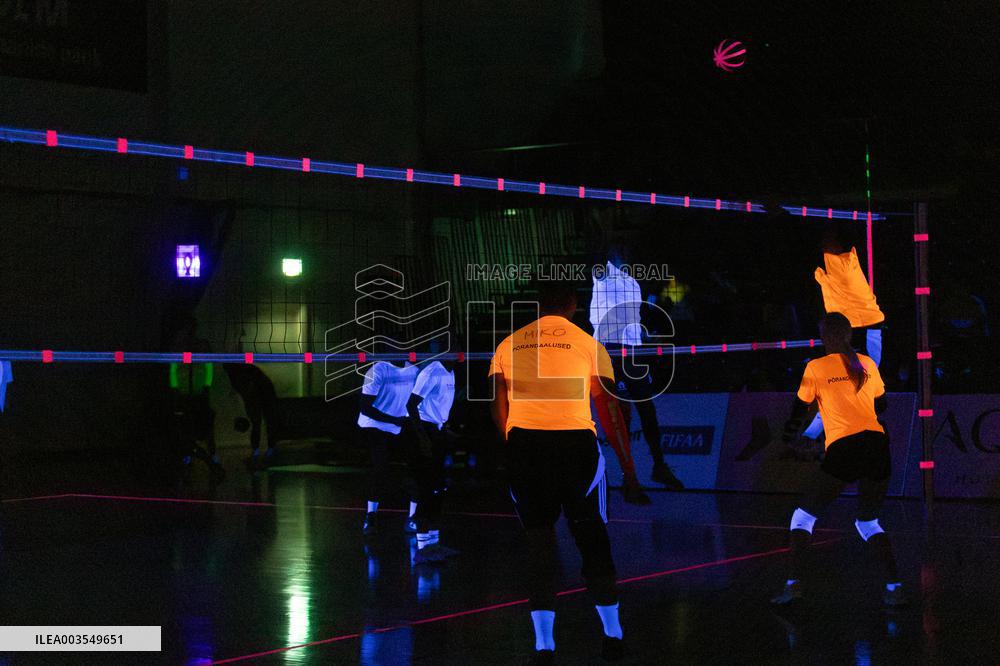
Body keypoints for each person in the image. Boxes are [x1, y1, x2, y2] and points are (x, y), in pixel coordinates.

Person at [490, 281, 628, 663]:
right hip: (575, 449)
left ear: (539, 306)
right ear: (573, 306)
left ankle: (544, 646)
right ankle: (613, 635)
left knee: (539, 549)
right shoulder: (588, 344)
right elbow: (609, 407)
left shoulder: (507, 344)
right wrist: (629, 468)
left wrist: (513, 446)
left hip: (525, 448)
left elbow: (497, 405)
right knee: (593, 540)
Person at [771, 312, 906, 607]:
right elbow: (881, 404)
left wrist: (788, 439)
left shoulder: (816, 367)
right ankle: (895, 588)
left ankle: (793, 586)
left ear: (824, 337)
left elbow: (799, 409)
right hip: (877, 445)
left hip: (845, 447)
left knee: (802, 517)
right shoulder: (867, 363)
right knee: (868, 521)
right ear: (849, 335)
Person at [590, 257, 684, 493]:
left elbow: (633, 320)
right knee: (621, 413)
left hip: (632, 352)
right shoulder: (604, 273)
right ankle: (628, 476)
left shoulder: (633, 283)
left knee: (647, 409)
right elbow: (599, 264)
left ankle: (659, 466)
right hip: (609, 351)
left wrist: (645, 337)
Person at [802, 234, 885, 441]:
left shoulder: (857, 370)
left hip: (852, 323)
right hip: (861, 323)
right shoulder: (866, 367)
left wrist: (809, 435)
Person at [406, 355, 459, 563]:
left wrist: (444, 428)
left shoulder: (451, 371)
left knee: (438, 489)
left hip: (437, 431)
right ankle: (422, 547)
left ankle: (434, 543)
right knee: (425, 489)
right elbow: (411, 405)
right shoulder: (431, 372)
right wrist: (423, 438)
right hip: (423, 432)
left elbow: (440, 406)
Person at [359, 359, 420, 535]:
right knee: (380, 469)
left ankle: (413, 517)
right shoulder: (377, 370)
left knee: (416, 468)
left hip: (398, 426)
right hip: (373, 425)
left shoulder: (415, 371)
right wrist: (394, 420)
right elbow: (365, 408)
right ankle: (371, 516)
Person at [223, 363, 279, 469]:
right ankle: (266, 450)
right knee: (264, 422)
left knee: (261, 422)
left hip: (260, 392)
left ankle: (261, 451)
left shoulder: (239, 374)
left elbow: (246, 391)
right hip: (261, 392)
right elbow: (246, 391)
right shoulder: (242, 373)